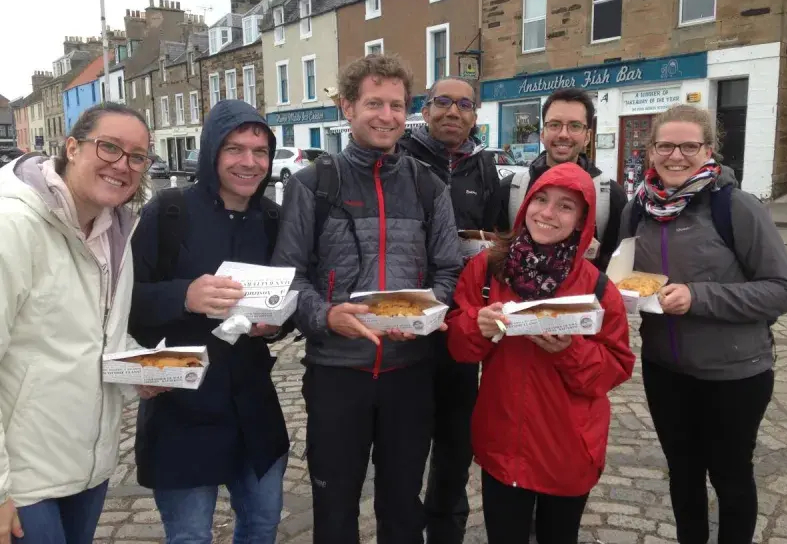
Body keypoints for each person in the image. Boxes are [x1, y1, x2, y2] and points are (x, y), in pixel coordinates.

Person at [272, 54, 462, 544]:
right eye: (374, 103)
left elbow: (448, 268)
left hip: (409, 371)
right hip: (337, 372)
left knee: (402, 506)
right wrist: (326, 315)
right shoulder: (311, 184)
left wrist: (426, 314)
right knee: (334, 505)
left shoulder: (427, 186)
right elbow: (288, 277)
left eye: (397, 105)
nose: (386, 115)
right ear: (347, 107)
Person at [619, 104, 787, 544]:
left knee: (731, 476)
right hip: (666, 370)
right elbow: (621, 272)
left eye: (688, 146)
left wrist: (698, 296)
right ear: (651, 149)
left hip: (735, 374)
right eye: (665, 145)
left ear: (708, 150)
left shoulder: (735, 206)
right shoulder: (638, 208)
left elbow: (784, 289)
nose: (675, 155)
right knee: (682, 473)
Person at [128, 99, 290, 544]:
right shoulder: (169, 211)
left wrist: (275, 324)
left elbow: (288, 298)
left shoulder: (273, 218)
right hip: (182, 404)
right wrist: (185, 295)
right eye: (235, 149)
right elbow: (125, 303)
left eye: (261, 152)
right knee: (190, 536)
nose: (249, 162)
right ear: (212, 151)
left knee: (262, 523)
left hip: (253, 403)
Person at [448, 162, 635, 544]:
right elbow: (459, 349)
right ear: (525, 205)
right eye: (542, 200)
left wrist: (569, 351)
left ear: (583, 221)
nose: (548, 213)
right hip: (502, 445)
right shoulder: (487, 270)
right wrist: (476, 328)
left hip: (567, 449)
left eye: (566, 207)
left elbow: (615, 369)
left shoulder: (597, 289)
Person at [0, 103, 150, 544]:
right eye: (109, 148)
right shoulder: (14, 226)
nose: (122, 165)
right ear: (71, 147)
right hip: (25, 477)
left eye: (137, 156)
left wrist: (140, 373)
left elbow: (97, 337)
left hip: (88, 465)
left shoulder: (115, 231)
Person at [397, 77, 503, 544]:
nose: (452, 112)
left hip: (458, 326)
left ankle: (446, 532)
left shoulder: (484, 169)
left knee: (455, 447)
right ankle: (400, 527)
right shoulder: (397, 157)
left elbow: (499, 244)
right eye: (443, 102)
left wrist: (484, 248)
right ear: (426, 107)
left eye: (464, 105)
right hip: (404, 324)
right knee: (403, 444)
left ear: (475, 115)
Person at [500, 88, 627, 271]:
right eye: (555, 125)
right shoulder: (510, 189)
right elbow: (496, 255)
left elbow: (614, 268)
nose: (563, 134)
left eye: (575, 126)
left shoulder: (610, 195)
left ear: (588, 137)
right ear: (543, 133)